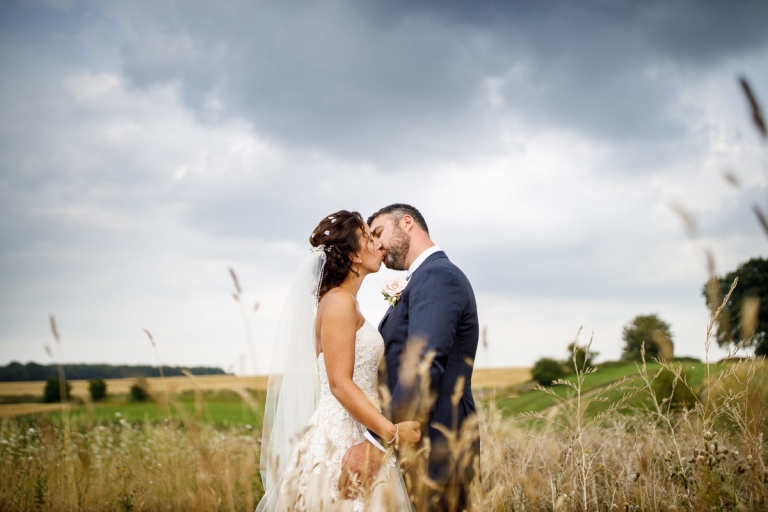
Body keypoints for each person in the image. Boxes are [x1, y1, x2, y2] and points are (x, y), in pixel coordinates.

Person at [256, 210, 421, 512]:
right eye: (370, 238)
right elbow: (339, 384)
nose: (379, 245)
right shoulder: (338, 302)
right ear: (354, 256)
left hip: (361, 427)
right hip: (339, 438)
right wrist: (391, 433)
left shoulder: (347, 303)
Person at [341, 204, 480, 512]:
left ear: (406, 223)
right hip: (415, 444)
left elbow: (422, 365)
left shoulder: (437, 277)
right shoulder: (424, 278)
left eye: (379, 233)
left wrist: (377, 443)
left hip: (436, 449)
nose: (377, 244)